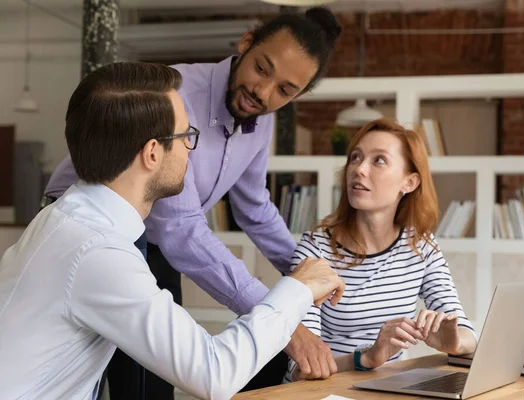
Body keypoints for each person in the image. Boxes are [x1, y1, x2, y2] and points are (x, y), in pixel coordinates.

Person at [0, 62, 347, 400]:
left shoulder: (64, 221)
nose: (190, 148)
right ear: (153, 152)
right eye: (186, 135)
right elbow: (213, 373)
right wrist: (297, 289)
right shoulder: (97, 252)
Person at [283, 118, 478, 382]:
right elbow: (301, 369)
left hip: (385, 391)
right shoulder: (315, 250)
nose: (359, 169)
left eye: (379, 160)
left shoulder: (421, 246)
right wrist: (368, 357)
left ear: (409, 183)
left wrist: (452, 342)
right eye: (355, 157)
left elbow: (468, 335)